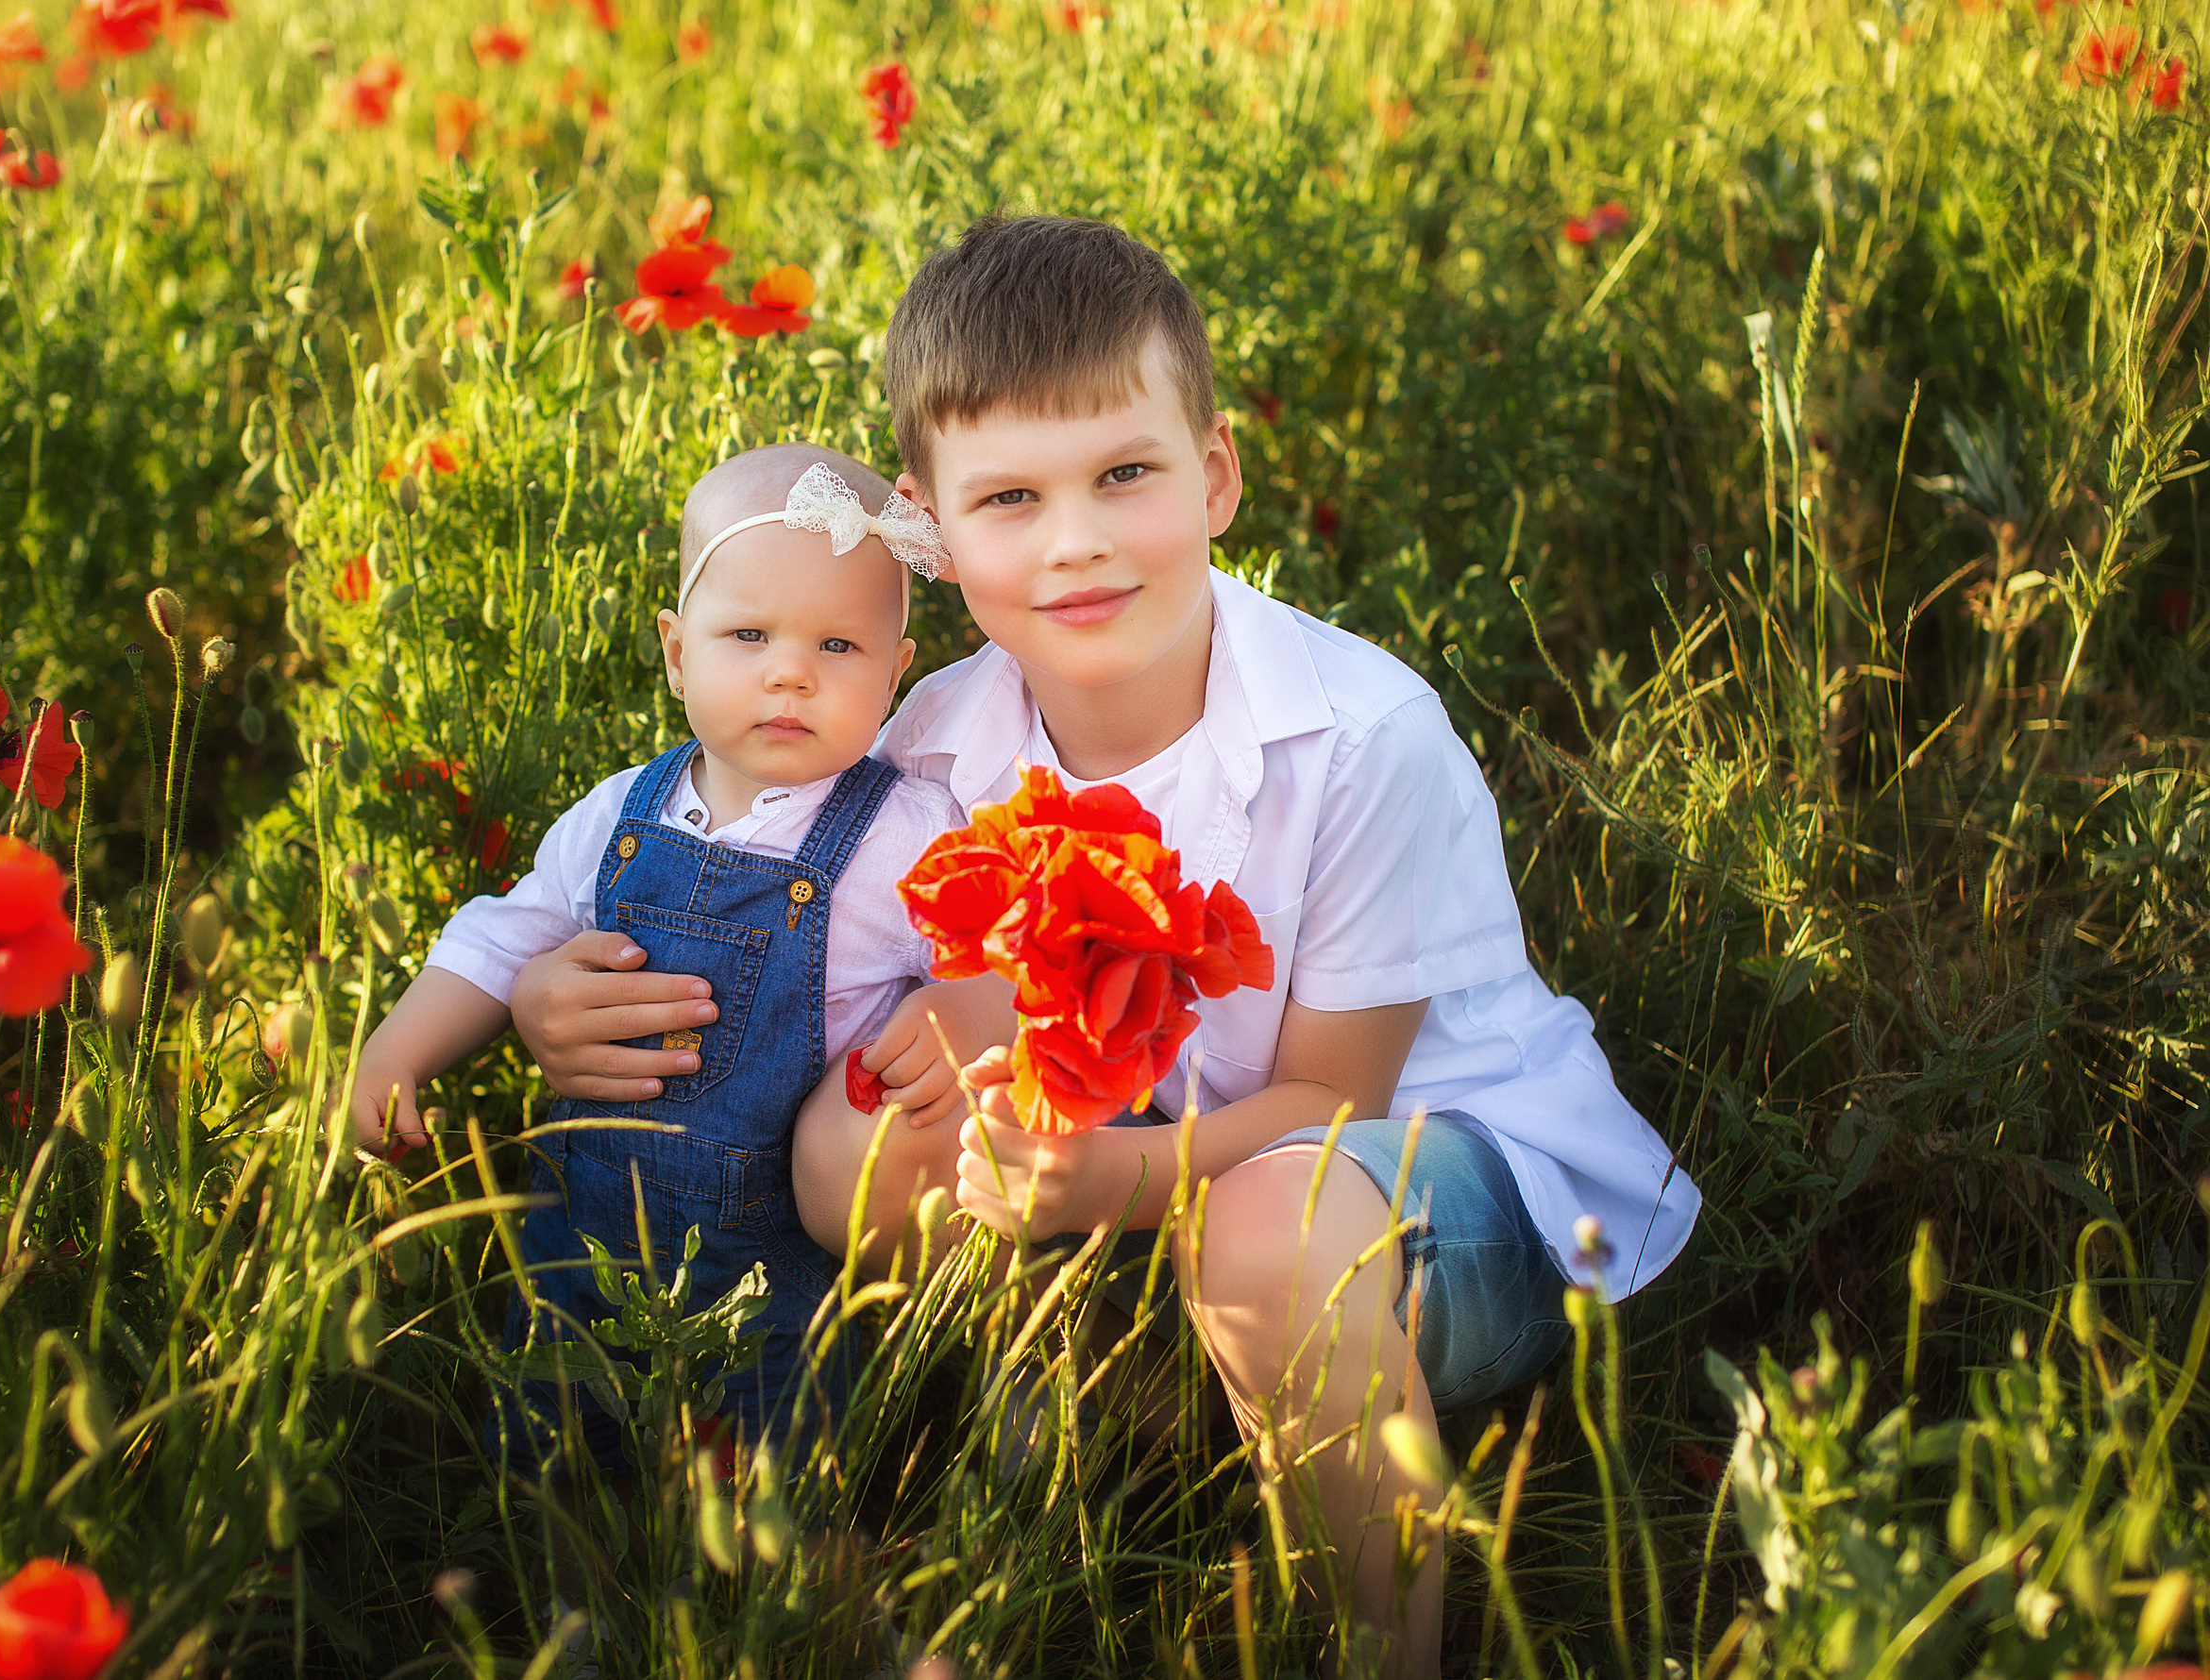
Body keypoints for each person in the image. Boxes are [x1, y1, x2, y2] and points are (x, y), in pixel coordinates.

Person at [506, 216, 1700, 1675]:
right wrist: (562, 980)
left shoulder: (1359, 738)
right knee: (841, 1150)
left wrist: (1109, 1173)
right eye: (1009, 496)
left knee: (1268, 1229)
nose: (1074, 540)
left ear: (1213, 475)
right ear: (929, 532)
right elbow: (764, 887)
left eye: (1124, 475)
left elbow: (1334, 1106)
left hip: (1432, 1193)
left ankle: (1386, 1638)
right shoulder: (942, 740)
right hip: (1141, 1168)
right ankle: (1117, 1392)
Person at [348, 442, 967, 1464]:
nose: (789, 671)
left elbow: (992, 962)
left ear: (897, 673)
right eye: (748, 633)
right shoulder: (619, 813)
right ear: (678, 652)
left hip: (769, 1272)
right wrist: (399, 1053)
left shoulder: (908, 836)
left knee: (775, 1494)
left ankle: (812, 1610)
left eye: (840, 648)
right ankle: (567, 1609)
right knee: (550, 1463)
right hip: (577, 1242)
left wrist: (970, 1000)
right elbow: (507, 937)